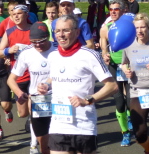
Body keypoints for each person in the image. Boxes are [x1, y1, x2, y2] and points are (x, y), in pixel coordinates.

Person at [39, 14, 118, 154]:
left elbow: (112, 86)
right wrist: (46, 85)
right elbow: (54, 77)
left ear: (77, 32)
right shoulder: (53, 56)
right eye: (57, 31)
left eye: (66, 30)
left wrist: (87, 100)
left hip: (84, 125)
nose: (61, 35)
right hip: (58, 124)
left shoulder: (89, 55)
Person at [121, 13, 149, 154]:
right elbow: (124, 63)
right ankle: (148, 148)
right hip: (137, 91)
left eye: (143, 27)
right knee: (139, 132)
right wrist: (126, 70)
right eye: (137, 28)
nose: (140, 31)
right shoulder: (129, 45)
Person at [8, 22, 57, 154]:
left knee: (59, 142)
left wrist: (49, 84)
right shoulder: (27, 53)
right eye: (34, 42)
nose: (38, 45)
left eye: (41, 41)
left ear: (48, 36)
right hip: (38, 101)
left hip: (58, 99)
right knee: (44, 145)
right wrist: (20, 93)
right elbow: (11, 79)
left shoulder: (58, 49)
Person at [99, 0, 133, 146]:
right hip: (114, 66)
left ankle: (130, 118)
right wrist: (104, 53)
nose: (112, 12)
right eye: (111, 9)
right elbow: (103, 43)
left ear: (124, 11)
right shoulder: (106, 27)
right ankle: (125, 133)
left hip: (130, 66)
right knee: (119, 102)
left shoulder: (132, 24)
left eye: (116, 9)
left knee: (131, 102)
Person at [0, 4, 32, 118]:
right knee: (22, 113)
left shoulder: (34, 29)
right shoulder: (9, 32)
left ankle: (33, 122)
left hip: (34, 74)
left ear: (26, 14)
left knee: (34, 109)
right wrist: (8, 51)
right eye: (14, 14)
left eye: (19, 14)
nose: (16, 16)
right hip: (19, 76)